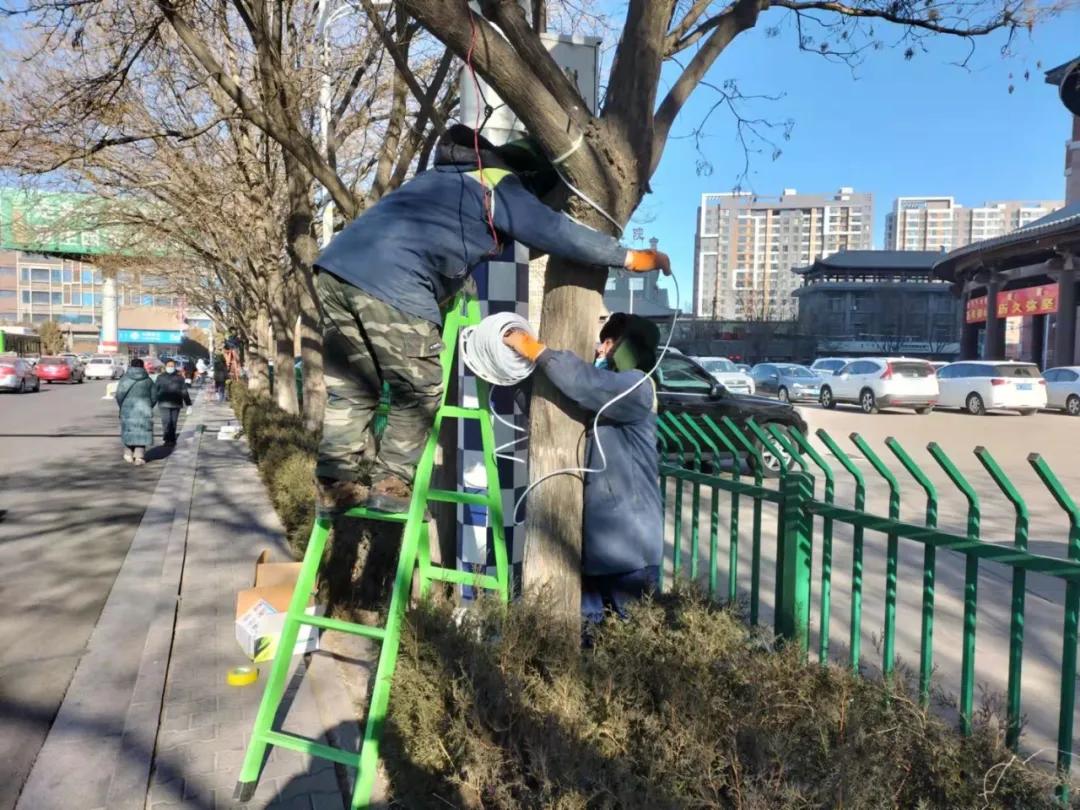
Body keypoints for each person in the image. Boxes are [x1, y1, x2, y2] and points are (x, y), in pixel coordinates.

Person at [313, 124, 671, 512]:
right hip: (392, 282)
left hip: (335, 271)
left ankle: (336, 482)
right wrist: (629, 259)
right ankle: (392, 484)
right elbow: (555, 231)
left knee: (353, 385)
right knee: (417, 388)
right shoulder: (498, 183)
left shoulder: (441, 181)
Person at [503, 313, 663, 627]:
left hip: (629, 553)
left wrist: (538, 352)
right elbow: (549, 403)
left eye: (607, 343)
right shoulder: (602, 397)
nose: (600, 351)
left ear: (622, 347)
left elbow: (582, 381)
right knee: (589, 643)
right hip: (592, 551)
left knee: (636, 647)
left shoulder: (638, 387)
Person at [116, 357, 155, 466]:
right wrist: (148, 405)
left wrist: (122, 406)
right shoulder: (148, 380)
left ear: (131, 366)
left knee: (128, 431)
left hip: (128, 409)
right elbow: (154, 396)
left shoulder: (124, 379)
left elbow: (119, 395)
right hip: (144, 409)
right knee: (142, 432)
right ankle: (139, 456)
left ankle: (128, 454)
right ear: (142, 367)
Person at [153, 358, 191, 445]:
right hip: (164, 403)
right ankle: (167, 439)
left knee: (173, 422)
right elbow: (155, 390)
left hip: (176, 403)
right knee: (166, 421)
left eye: (172, 366)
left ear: (175, 367)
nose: (170, 367)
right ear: (165, 366)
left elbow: (184, 391)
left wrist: (188, 404)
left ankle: (172, 439)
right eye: (169, 366)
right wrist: (152, 401)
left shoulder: (179, 378)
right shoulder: (160, 377)